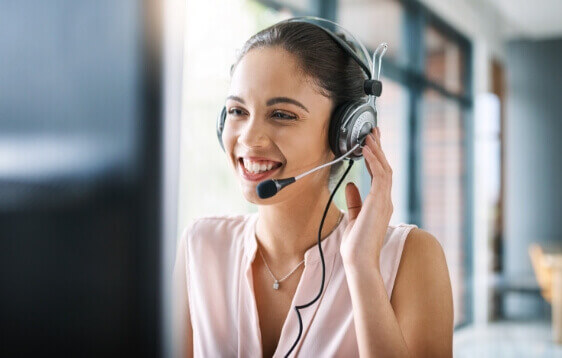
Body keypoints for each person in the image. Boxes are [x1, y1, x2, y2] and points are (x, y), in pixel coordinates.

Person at [173, 18, 453, 357]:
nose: (248, 138)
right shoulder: (201, 246)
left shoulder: (411, 257)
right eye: (237, 111)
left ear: (348, 132)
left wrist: (362, 268)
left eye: (282, 115)